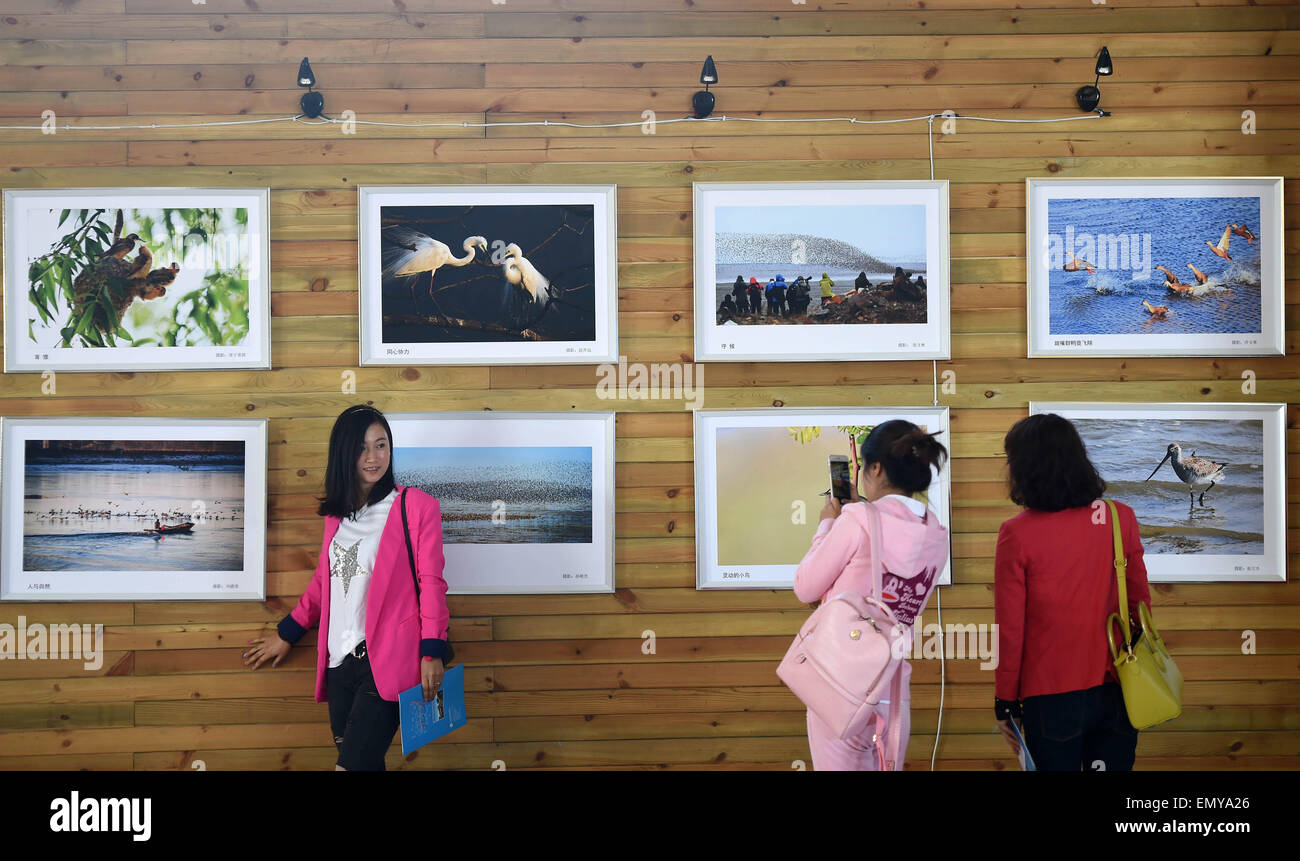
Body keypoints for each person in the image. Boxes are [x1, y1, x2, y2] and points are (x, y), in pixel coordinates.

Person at [242, 405, 451, 771]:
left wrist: (432, 650)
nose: (373, 457)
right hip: (338, 662)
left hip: (386, 660)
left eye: (380, 444)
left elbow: (432, 583)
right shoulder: (336, 515)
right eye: (361, 448)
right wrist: (287, 632)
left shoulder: (416, 507)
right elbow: (326, 582)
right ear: (344, 454)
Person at [993, 413, 1151, 771]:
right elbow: (1140, 605)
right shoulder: (1119, 517)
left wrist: (1005, 698)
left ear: (1023, 468)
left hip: (1049, 695)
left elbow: (1010, 628)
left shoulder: (1016, 534)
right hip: (1119, 684)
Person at [793, 421, 950, 770]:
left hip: (841, 682)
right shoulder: (937, 534)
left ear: (876, 468)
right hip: (892, 686)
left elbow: (806, 586)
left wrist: (827, 525)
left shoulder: (857, 519)